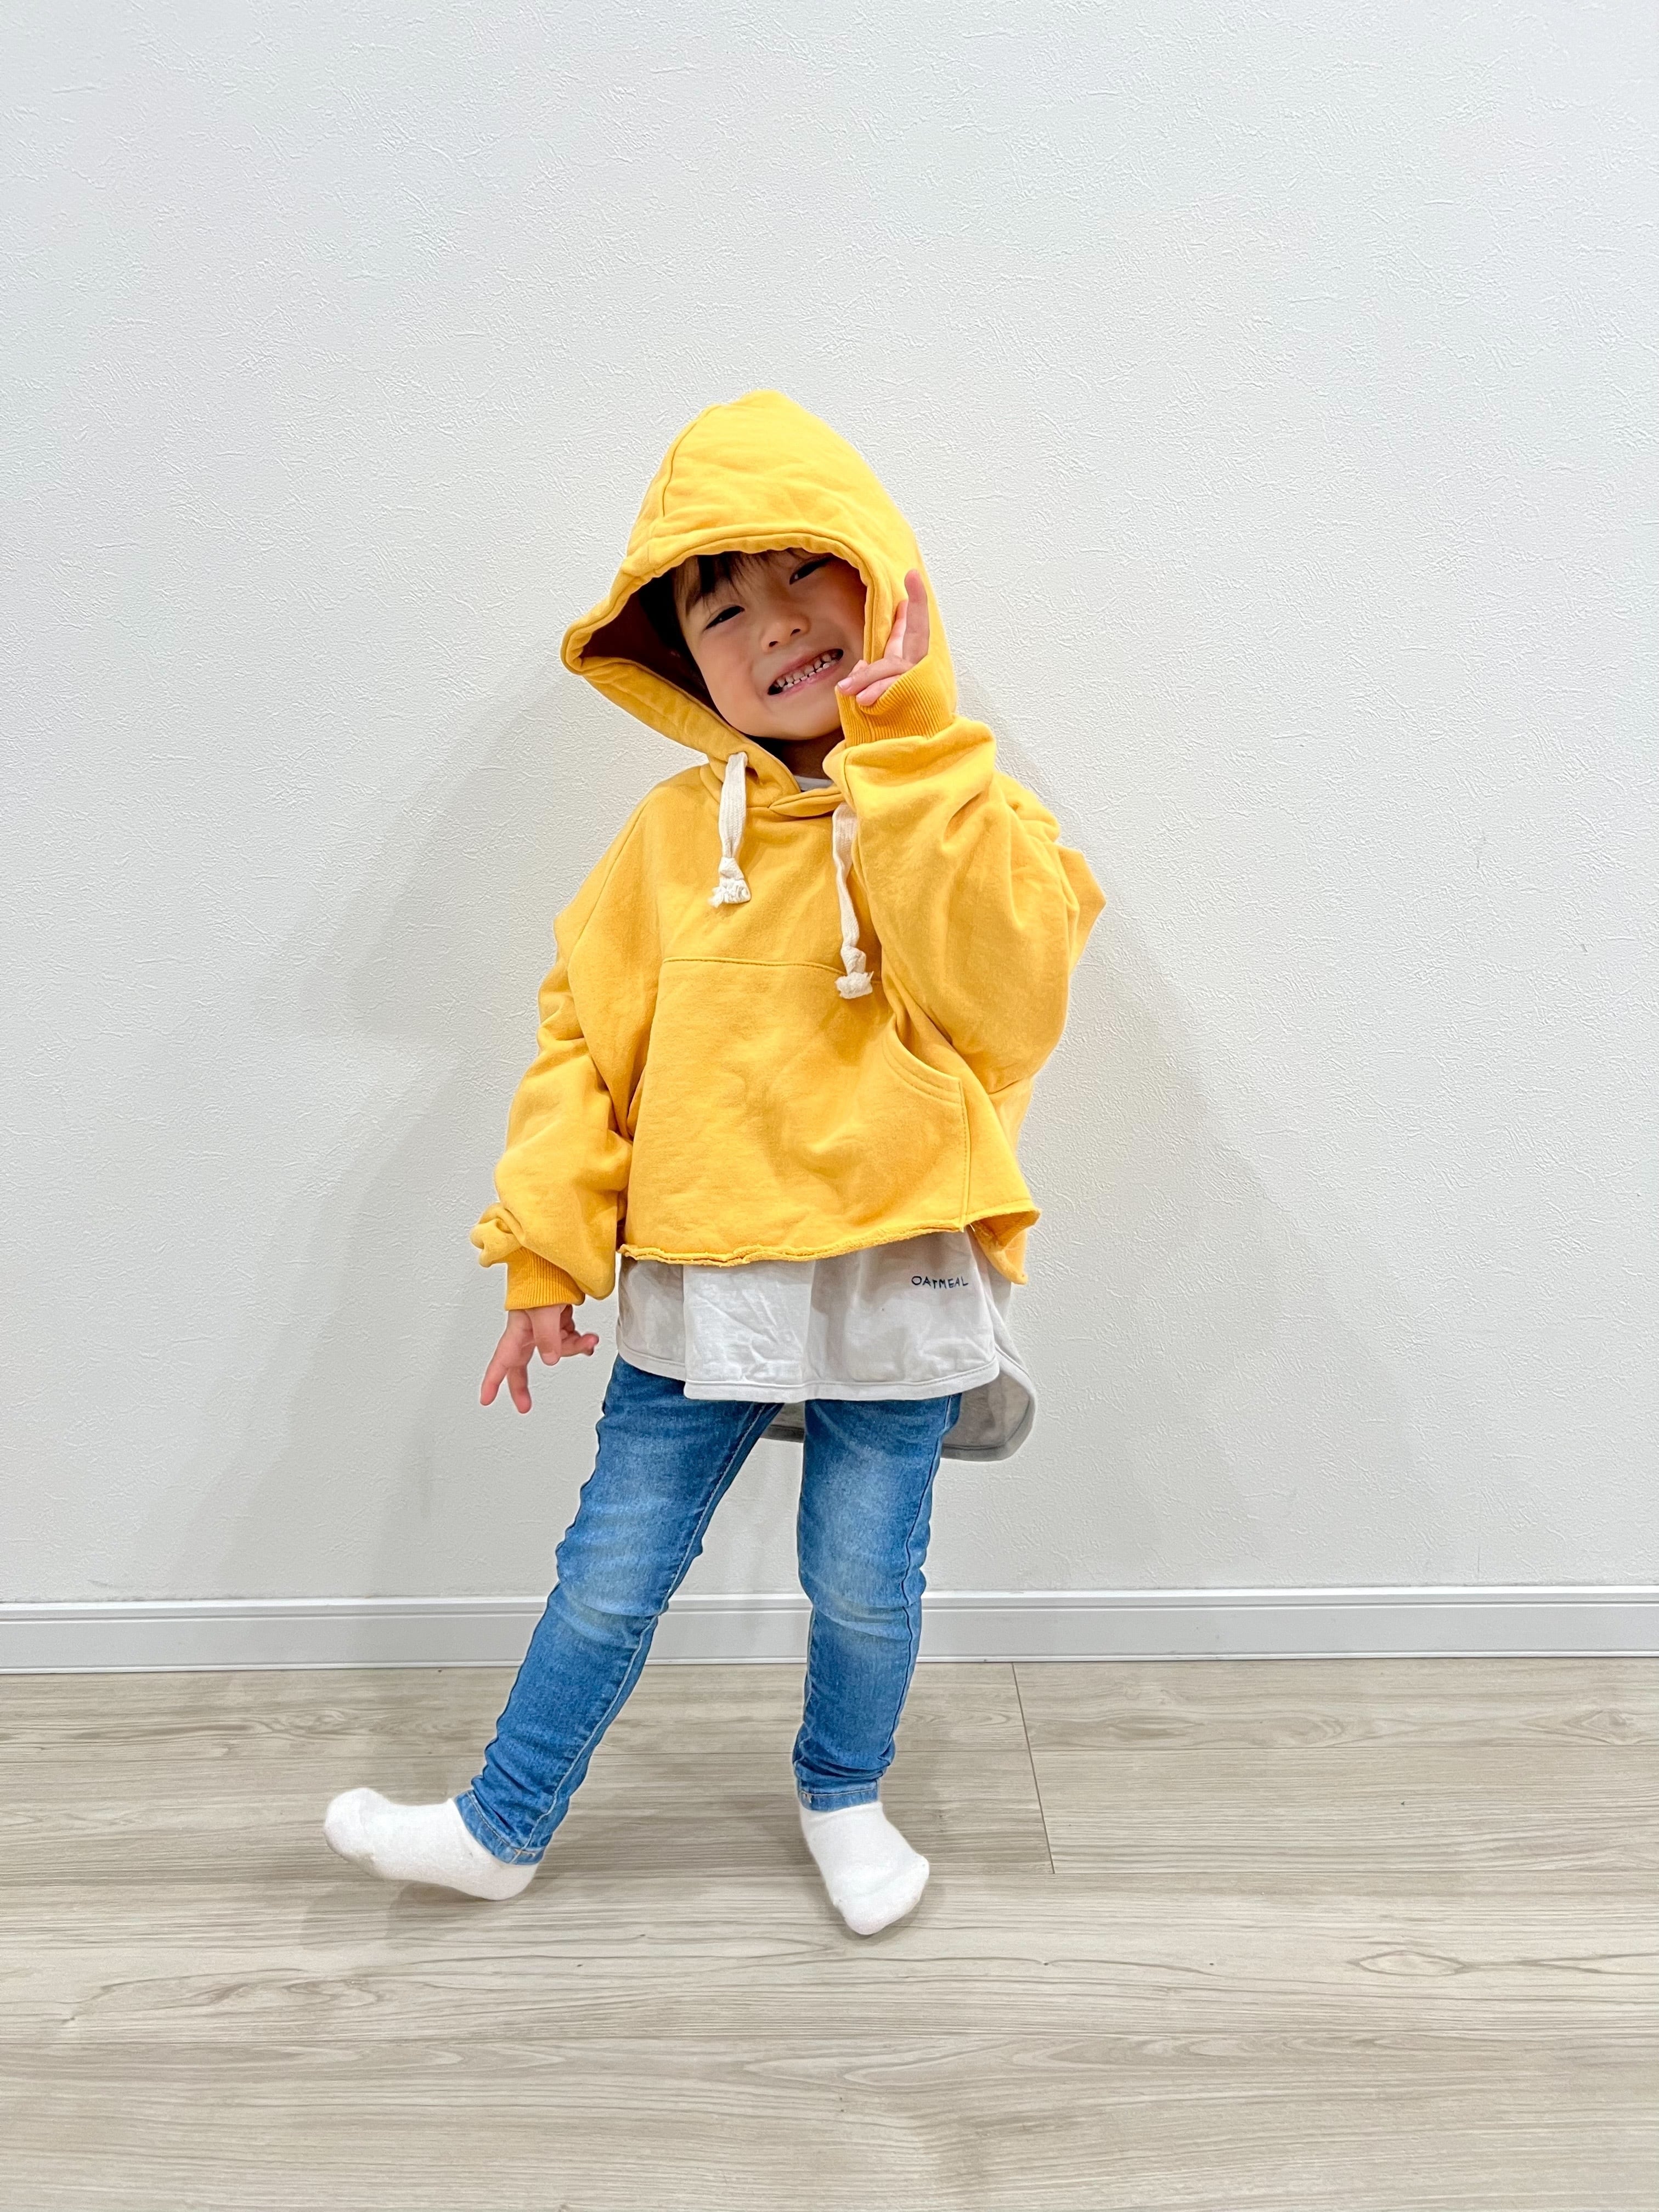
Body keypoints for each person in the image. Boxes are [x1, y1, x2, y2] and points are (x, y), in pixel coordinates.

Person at [323, 390, 1107, 1935]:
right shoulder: (671, 841)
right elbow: (584, 1042)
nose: (777, 625)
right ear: (687, 665)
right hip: (705, 1264)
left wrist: (912, 756)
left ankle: (844, 1795)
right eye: (723, 608)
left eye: (809, 573)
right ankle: (501, 1822)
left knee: (865, 1580)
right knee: (612, 1571)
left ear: (884, 583)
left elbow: (1014, 1006)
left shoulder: (970, 809)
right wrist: (544, 1253)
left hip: (896, 1261)